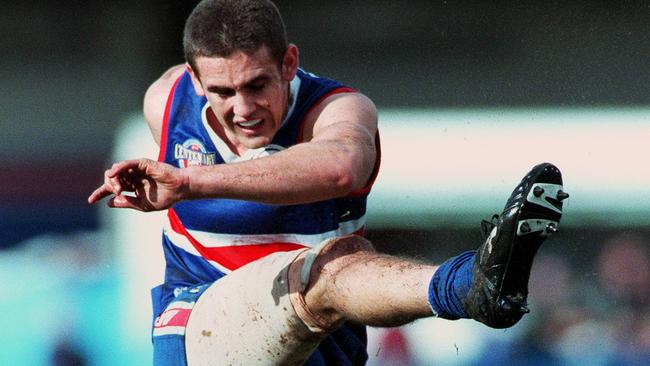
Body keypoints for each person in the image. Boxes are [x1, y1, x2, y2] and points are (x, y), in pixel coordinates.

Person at [88, 0, 569, 365]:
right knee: (334, 269)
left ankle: (481, 287)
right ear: (194, 80)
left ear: (289, 64)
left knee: (338, 266)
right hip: (200, 312)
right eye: (221, 91)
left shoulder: (339, 109)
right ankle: (465, 285)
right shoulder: (166, 102)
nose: (242, 108)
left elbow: (341, 166)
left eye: (257, 85)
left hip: (319, 328)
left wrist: (191, 182)